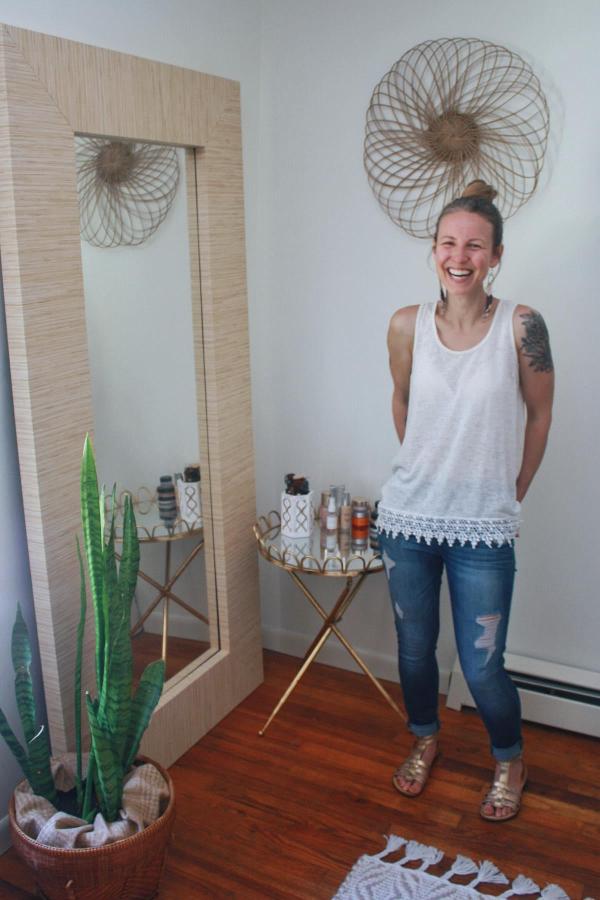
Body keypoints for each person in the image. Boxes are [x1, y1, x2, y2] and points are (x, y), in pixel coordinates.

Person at [377, 180, 554, 821]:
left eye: (474, 245)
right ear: (433, 252)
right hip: (407, 522)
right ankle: (425, 741)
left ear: (496, 255)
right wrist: (428, 465)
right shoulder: (405, 325)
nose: (460, 256)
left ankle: (510, 758)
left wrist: (513, 490)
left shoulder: (522, 325)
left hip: (484, 527)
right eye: (449, 243)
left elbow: (539, 414)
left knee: (481, 670)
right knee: (415, 652)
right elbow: (403, 400)